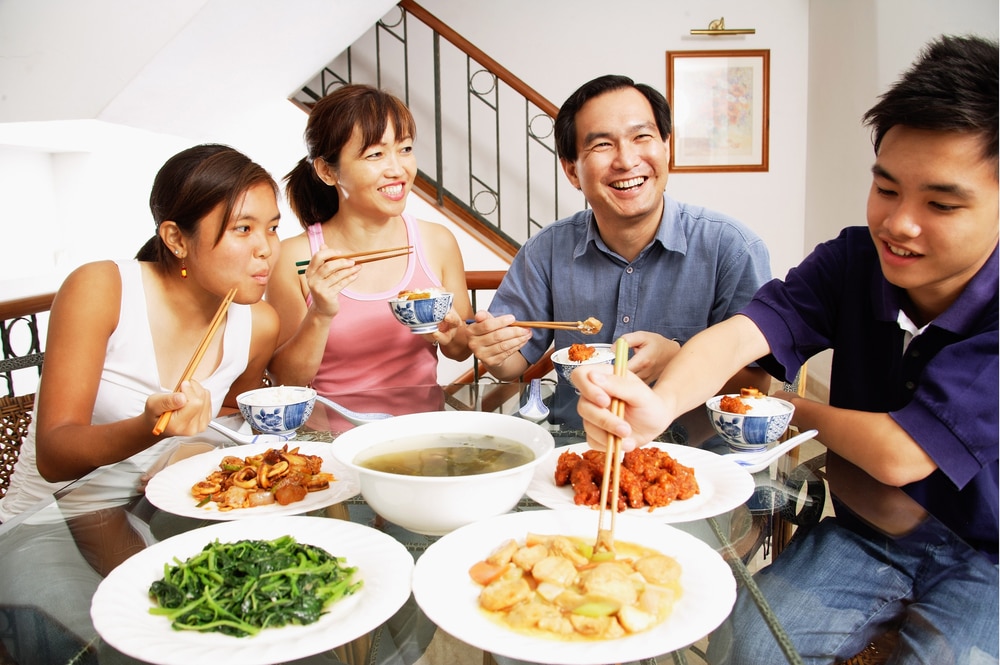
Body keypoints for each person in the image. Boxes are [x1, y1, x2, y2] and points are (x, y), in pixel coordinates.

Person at [574, 35, 999, 663]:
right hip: (868, 537)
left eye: (939, 203)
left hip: (986, 556)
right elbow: (740, 335)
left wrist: (782, 406)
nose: (899, 224)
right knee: (748, 646)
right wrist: (658, 408)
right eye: (886, 189)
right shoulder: (852, 262)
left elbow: (899, 456)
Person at [465, 75, 771, 425]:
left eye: (642, 137)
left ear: (666, 146)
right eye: (602, 145)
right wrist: (493, 349)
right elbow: (511, 365)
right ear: (571, 171)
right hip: (576, 448)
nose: (626, 160)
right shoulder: (546, 251)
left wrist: (677, 358)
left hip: (693, 457)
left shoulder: (731, 249)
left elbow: (756, 384)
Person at [0, 143, 282, 522]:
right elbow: (53, 457)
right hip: (48, 522)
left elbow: (231, 411)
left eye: (273, 228)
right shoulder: (101, 289)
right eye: (243, 229)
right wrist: (149, 430)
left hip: (167, 508)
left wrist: (193, 446)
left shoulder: (259, 323)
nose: (266, 249)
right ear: (177, 239)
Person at [266, 84, 472, 394]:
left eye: (404, 149)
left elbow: (460, 350)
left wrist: (452, 333)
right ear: (327, 171)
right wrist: (320, 312)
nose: (398, 169)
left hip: (421, 430)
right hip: (330, 437)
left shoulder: (437, 242)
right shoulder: (293, 257)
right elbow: (286, 381)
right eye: (375, 154)